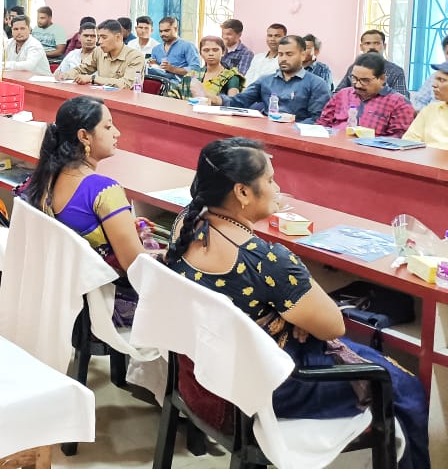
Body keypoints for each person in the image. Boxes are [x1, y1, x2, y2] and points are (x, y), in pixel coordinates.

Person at [166, 138, 429, 469]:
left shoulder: (185, 225)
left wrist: (283, 315)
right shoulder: (266, 260)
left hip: (212, 375)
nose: (278, 188)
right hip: (276, 385)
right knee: (403, 385)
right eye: (271, 180)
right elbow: (333, 325)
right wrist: (292, 313)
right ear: (243, 192)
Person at [17, 96, 146, 323]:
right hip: (102, 301)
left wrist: (120, 230)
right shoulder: (104, 190)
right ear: (84, 136)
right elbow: (137, 270)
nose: (117, 133)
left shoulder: (44, 179)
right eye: (107, 126)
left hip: (59, 291)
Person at [192, 35, 330, 122]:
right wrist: (214, 98)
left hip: (296, 138)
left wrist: (291, 128)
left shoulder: (317, 84)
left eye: (289, 54)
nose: (283, 58)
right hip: (264, 132)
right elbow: (239, 101)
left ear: (303, 55)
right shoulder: (266, 80)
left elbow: (317, 120)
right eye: (281, 54)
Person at [317, 52, 414, 137]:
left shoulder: (399, 103)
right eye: (354, 78)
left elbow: (398, 140)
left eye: (365, 80)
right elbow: (323, 124)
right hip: (334, 147)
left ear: (382, 79)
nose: (358, 85)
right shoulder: (342, 94)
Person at [70, 19, 147, 89]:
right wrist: (64, 75)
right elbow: (82, 69)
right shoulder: (99, 51)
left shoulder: (136, 57)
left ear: (118, 37)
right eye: (99, 37)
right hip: (102, 97)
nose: (99, 42)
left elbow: (126, 84)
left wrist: (92, 79)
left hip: (126, 101)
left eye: (104, 37)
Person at [334, 30, 409, 99]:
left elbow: (402, 101)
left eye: (376, 43)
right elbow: (337, 94)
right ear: (361, 47)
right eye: (367, 43)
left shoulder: (395, 71)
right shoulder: (353, 68)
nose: (372, 47)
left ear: (384, 46)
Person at [404, 62, 448, 147]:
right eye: (435, 79)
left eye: (442, 80)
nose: (434, 85)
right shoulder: (430, 110)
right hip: (423, 159)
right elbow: (409, 142)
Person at [410, 35, 448, 111]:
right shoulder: (435, 76)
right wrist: (429, 115)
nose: (435, 85)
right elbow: (418, 101)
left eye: (442, 80)